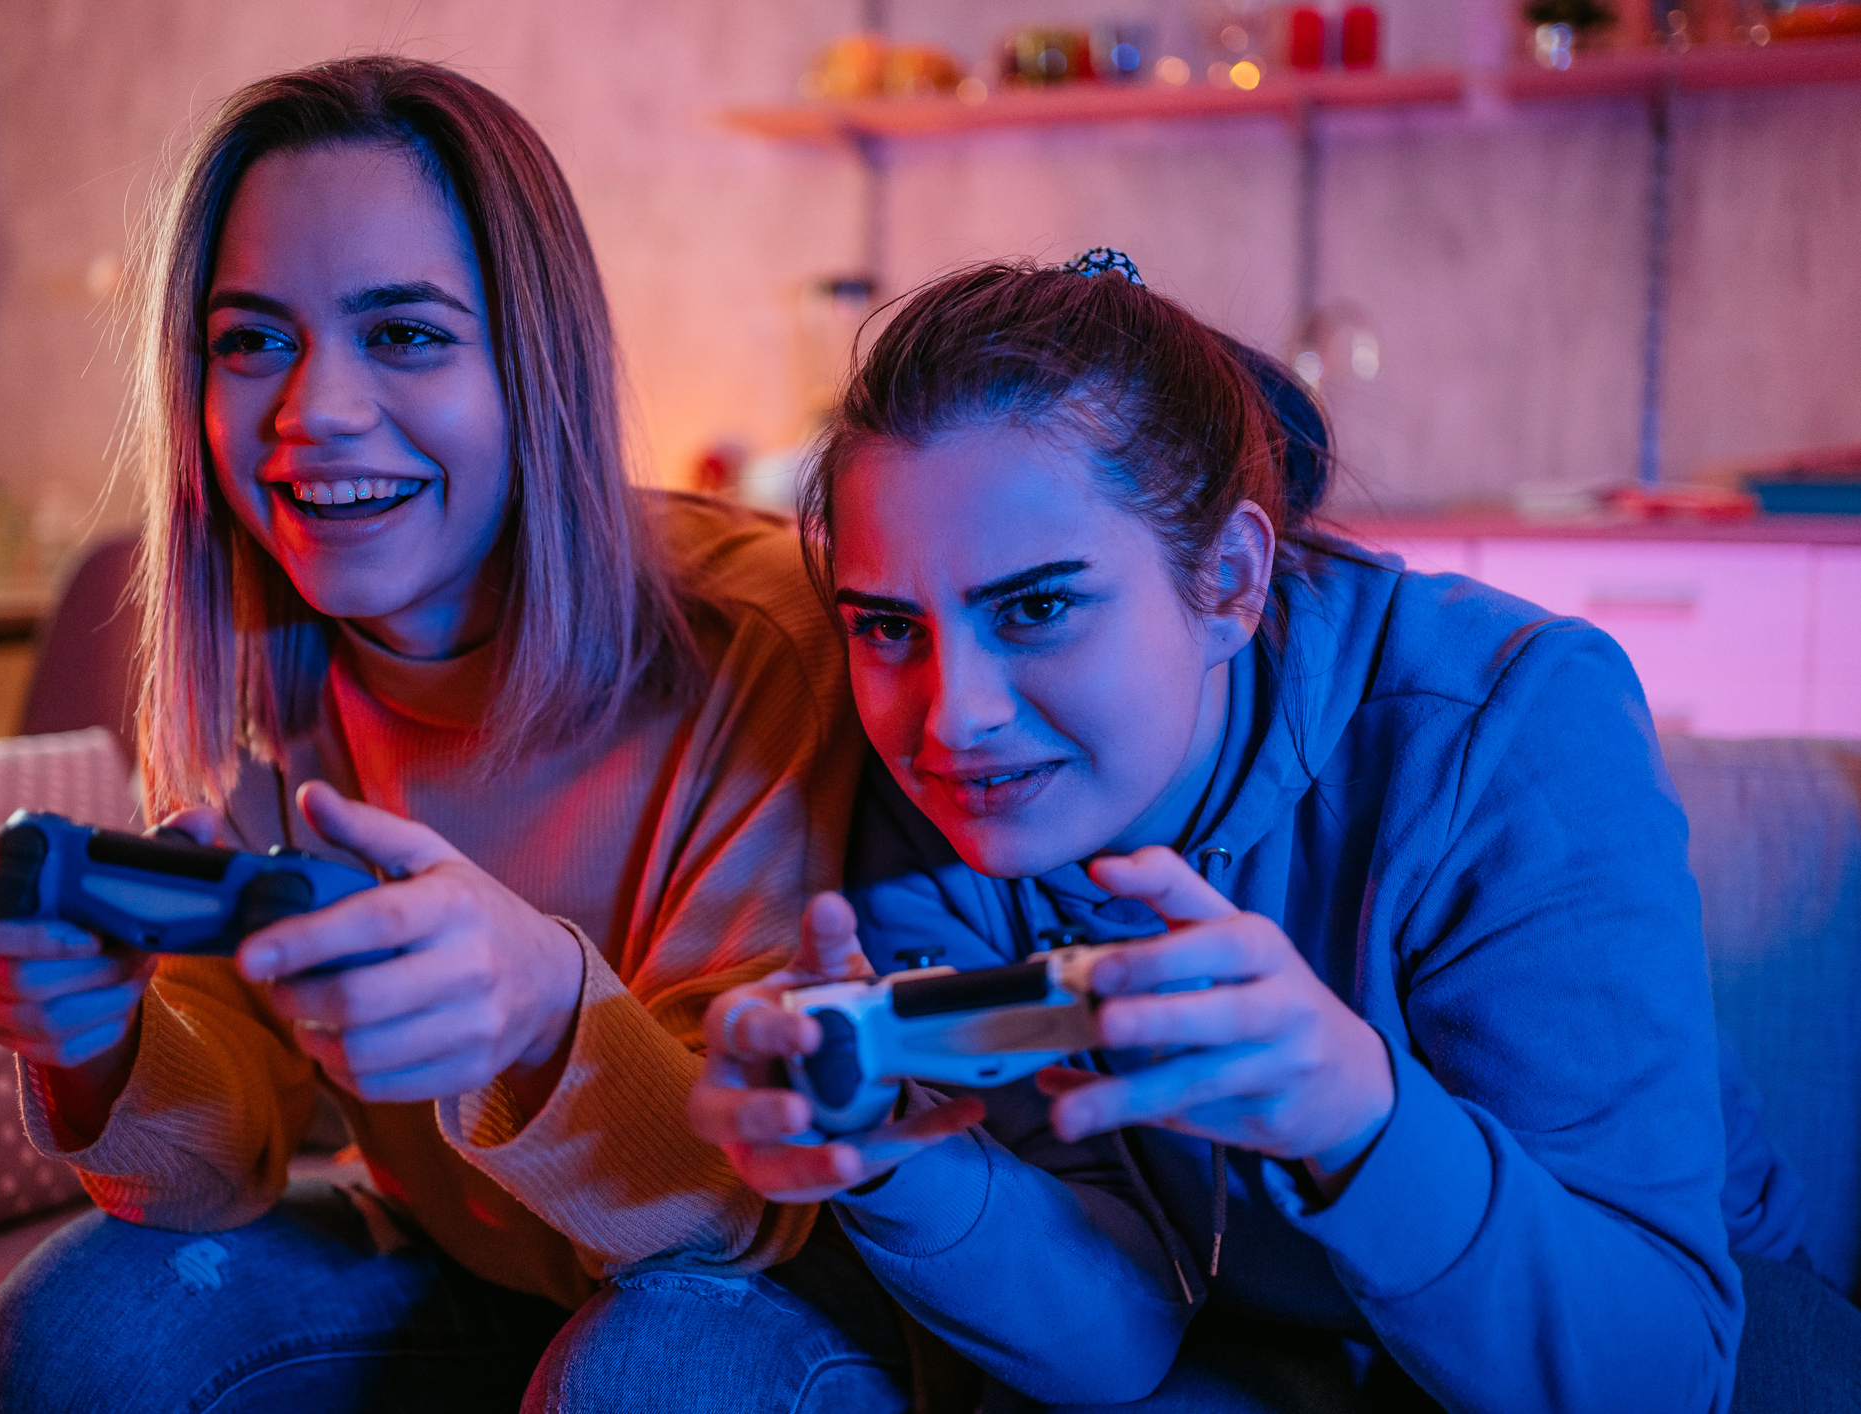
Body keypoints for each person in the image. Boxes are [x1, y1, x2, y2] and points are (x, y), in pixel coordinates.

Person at [691, 253, 1860, 1412]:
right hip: (1267, 1350)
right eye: (889, 627)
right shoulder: (924, 801)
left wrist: (1356, 1114)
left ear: (1231, 579)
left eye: (1038, 606)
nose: (953, 719)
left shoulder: (1509, 722)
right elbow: (1121, 1343)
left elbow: (1662, 1366)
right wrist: (901, 1158)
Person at [0, 56, 911, 1413]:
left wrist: (541, 1008)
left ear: (533, 365)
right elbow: (207, 1172)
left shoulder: (768, 644)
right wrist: (93, 1034)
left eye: (403, 333)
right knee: (76, 1332)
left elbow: (730, 1212)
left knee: (645, 1370)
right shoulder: (260, 667)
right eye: (251, 341)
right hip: (476, 1272)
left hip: (776, 1293)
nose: (316, 411)